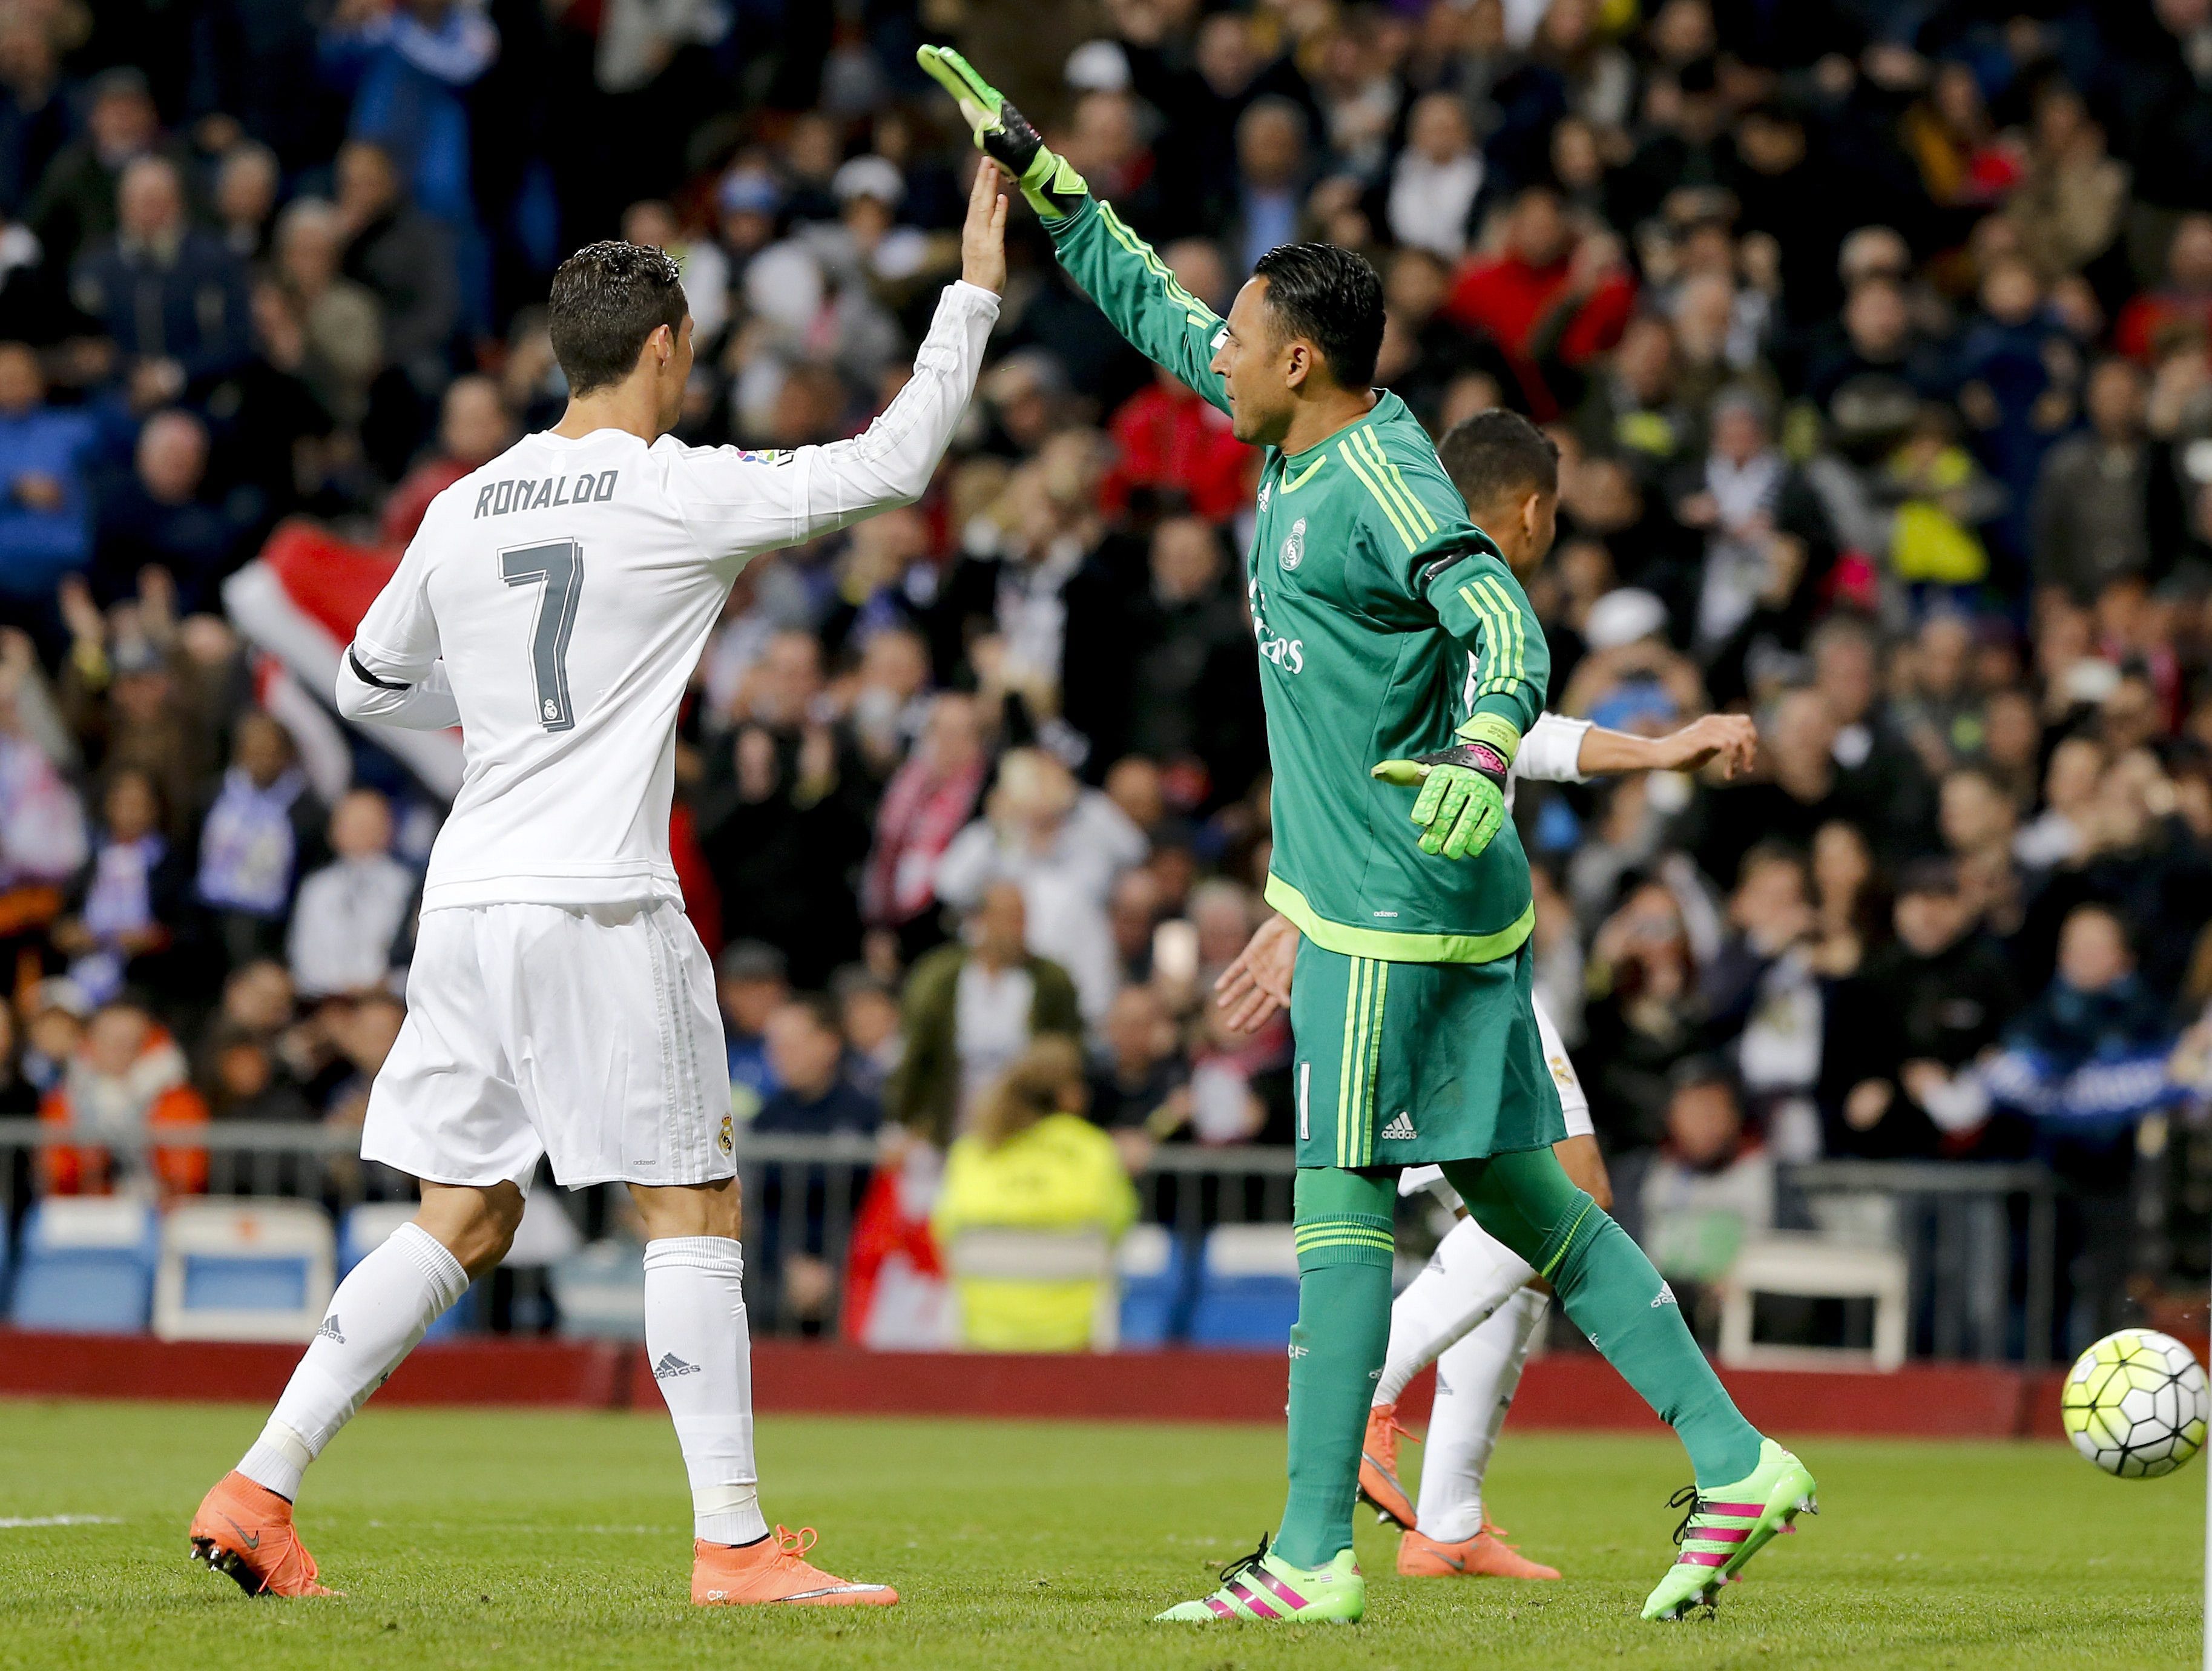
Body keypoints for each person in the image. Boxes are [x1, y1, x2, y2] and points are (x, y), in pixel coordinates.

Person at [921, 47, 1812, 1625]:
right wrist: (1047, 179)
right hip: (1418, 892)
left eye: (1248, 333)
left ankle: (1313, 1556)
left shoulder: (1385, 479)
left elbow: (1495, 614)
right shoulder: (1288, 434)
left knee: (1333, 1217)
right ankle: (1736, 1459)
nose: (1224, 348)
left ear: (1306, 359)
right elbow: (1143, 305)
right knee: (1532, 1202)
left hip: (1393, 910)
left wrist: (1484, 739)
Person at [186, 159, 1011, 1607]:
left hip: (467, 902)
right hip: (600, 899)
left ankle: (258, 1486)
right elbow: (893, 464)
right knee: (691, 1206)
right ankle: (737, 1547)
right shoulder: (679, 487)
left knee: (464, 1214)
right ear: (669, 349)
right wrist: (975, 288)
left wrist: (498, 724)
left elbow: (367, 679)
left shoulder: (463, 502)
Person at [1219, 409, 1759, 1581]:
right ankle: (1378, 1397)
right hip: (1417, 952)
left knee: (1515, 1213)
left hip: (1443, 943)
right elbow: (1453, 748)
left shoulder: (1403, 571)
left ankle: (1449, 1519)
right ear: (1526, 512)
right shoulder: (1436, 581)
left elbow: (1499, 741)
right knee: (1554, 1193)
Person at [932, 1035, 1139, 1351]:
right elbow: (1120, 1224)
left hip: (984, 1334)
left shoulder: (972, 1151)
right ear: (1068, 1093)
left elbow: (944, 1229)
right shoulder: (1094, 1150)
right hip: (1074, 1335)